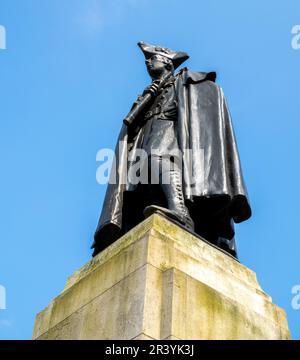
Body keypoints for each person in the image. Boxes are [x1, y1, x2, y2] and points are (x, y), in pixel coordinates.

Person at [92, 42, 251, 258]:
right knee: (140, 174)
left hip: (169, 131)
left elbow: (201, 102)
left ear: (166, 62)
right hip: (146, 132)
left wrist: (179, 108)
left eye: (152, 58)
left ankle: (180, 212)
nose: (148, 62)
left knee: (158, 156)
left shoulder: (185, 81)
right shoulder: (148, 93)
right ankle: (140, 220)